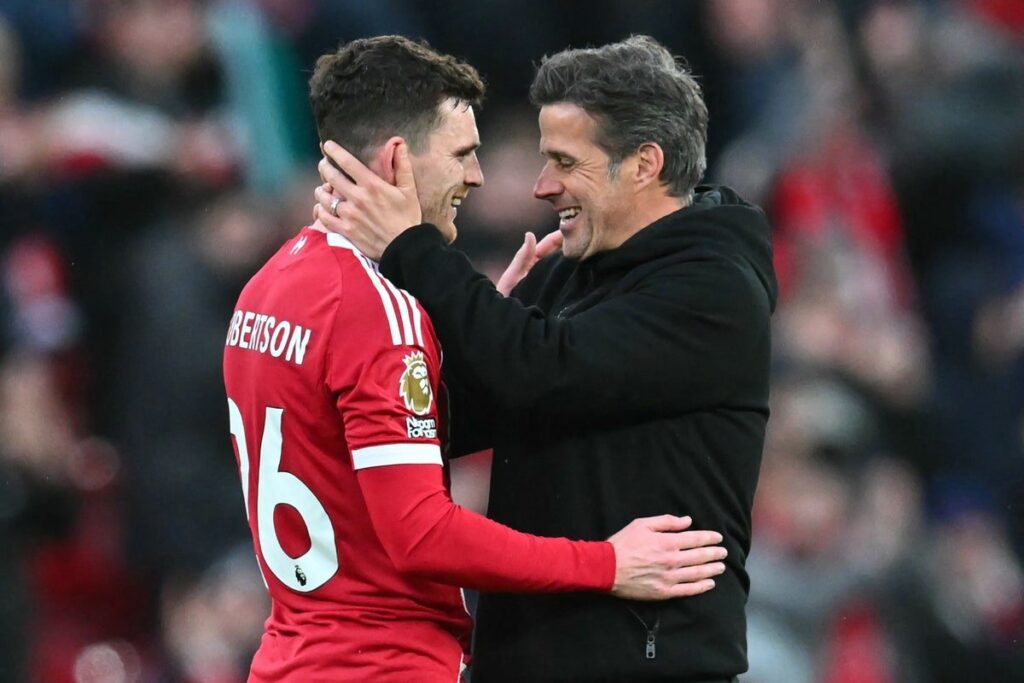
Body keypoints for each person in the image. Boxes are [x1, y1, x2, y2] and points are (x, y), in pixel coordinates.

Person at [223, 36, 728, 683]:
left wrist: (463, 336)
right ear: (399, 159)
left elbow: (341, 448)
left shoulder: (268, 289)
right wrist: (606, 563)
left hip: (291, 659)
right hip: (386, 665)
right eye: (462, 153)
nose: (476, 175)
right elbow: (421, 534)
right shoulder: (377, 310)